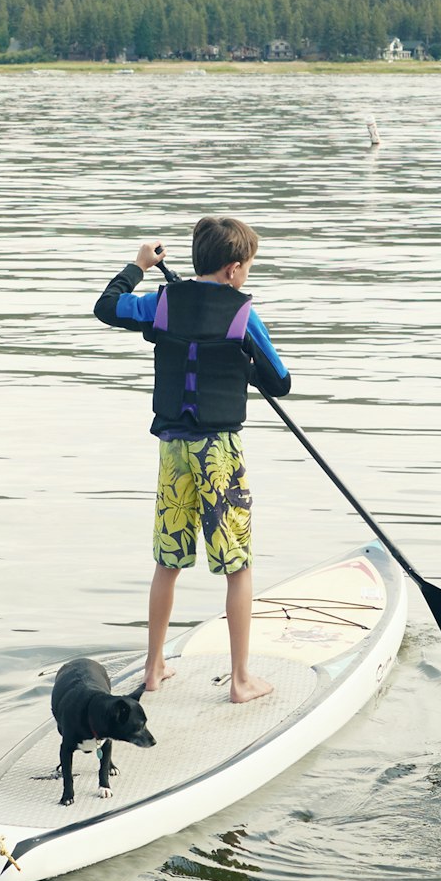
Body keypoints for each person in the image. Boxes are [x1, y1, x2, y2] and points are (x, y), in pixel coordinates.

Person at [94, 215, 294, 703]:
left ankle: (154, 665)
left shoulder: (161, 302)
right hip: (218, 452)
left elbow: (107, 308)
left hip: (173, 451)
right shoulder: (243, 316)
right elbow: (279, 381)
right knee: (237, 565)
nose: (245, 275)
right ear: (232, 269)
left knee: (169, 560)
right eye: (246, 267)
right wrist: (242, 365)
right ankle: (241, 680)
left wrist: (138, 266)